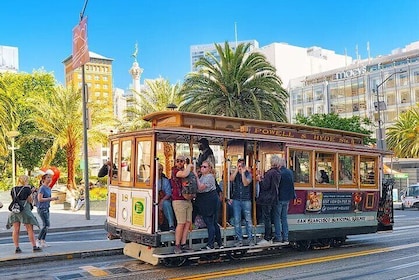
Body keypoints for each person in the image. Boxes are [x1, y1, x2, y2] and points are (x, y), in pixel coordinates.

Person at [6, 175, 42, 253]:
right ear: (26, 180)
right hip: (24, 210)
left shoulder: (13, 189)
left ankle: (17, 247)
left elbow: (14, 199)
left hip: (15, 210)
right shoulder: (27, 189)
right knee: (29, 229)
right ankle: (34, 246)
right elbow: (30, 200)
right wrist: (31, 193)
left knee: (16, 229)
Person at [193, 160, 223, 250]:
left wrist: (196, 176)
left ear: (210, 168)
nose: (202, 168)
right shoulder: (203, 176)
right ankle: (219, 243)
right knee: (213, 223)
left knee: (210, 222)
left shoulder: (209, 177)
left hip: (209, 201)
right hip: (206, 200)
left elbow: (201, 187)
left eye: (204, 167)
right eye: (202, 166)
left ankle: (211, 244)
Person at [170, 155, 194, 254]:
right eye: (178, 161)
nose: (179, 163)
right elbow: (184, 174)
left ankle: (184, 243)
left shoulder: (185, 171)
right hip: (178, 200)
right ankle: (177, 245)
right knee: (181, 223)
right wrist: (189, 165)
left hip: (187, 199)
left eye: (181, 161)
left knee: (188, 222)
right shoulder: (175, 171)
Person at [229, 158, 254, 246]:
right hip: (236, 199)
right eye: (239, 165)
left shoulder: (248, 174)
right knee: (237, 220)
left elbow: (245, 183)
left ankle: (250, 238)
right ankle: (239, 239)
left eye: (242, 165)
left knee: (248, 220)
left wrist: (243, 172)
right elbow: (231, 179)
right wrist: (236, 170)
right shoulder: (236, 174)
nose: (240, 167)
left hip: (246, 199)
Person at [257, 155, 281, 244]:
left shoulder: (269, 173)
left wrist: (259, 180)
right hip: (274, 198)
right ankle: (271, 235)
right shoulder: (278, 173)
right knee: (271, 217)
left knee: (266, 218)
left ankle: (267, 236)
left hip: (266, 198)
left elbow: (265, 186)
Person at [276, 157, 296, 244]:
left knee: (277, 217)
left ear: (279, 164)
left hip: (279, 198)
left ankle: (278, 236)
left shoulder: (279, 173)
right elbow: (291, 184)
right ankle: (286, 237)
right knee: (284, 218)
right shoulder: (290, 172)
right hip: (287, 198)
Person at [36, 173, 59, 248]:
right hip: (42, 208)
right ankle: (38, 240)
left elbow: (47, 198)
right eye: (48, 177)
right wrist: (51, 199)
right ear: (44, 179)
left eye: (50, 178)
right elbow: (40, 199)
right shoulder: (42, 188)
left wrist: (53, 199)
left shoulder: (48, 188)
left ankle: (43, 241)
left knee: (46, 225)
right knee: (46, 224)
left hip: (46, 207)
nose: (50, 179)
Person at [157, 163, 175, 232]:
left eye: (161, 170)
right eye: (158, 169)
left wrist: (161, 201)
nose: (159, 171)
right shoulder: (149, 180)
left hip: (162, 199)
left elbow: (168, 193)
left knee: (166, 204)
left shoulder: (165, 181)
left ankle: (171, 225)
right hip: (153, 200)